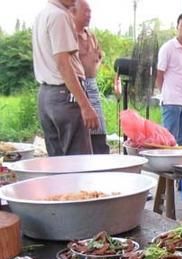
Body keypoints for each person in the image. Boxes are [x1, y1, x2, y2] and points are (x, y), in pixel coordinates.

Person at [32, 0, 98, 156]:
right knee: (78, 162)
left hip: (47, 95)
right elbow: (63, 64)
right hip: (65, 94)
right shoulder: (59, 16)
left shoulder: (43, 14)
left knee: (57, 160)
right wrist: (85, 106)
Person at [72, 0, 109, 154]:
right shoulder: (70, 35)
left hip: (92, 84)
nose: (89, 16)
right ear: (74, 12)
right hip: (76, 84)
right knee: (81, 130)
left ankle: (101, 160)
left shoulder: (91, 36)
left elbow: (99, 57)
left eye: (90, 12)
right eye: (85, 12)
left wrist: (96, 64)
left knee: (99, 129)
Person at [157, 12, 182, 146]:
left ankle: (181, 167)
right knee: (169, 142)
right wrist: (166, 94)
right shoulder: (167, 48)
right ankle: (168, 168)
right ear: (177, 27)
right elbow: (159, 74)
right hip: (172, 102)